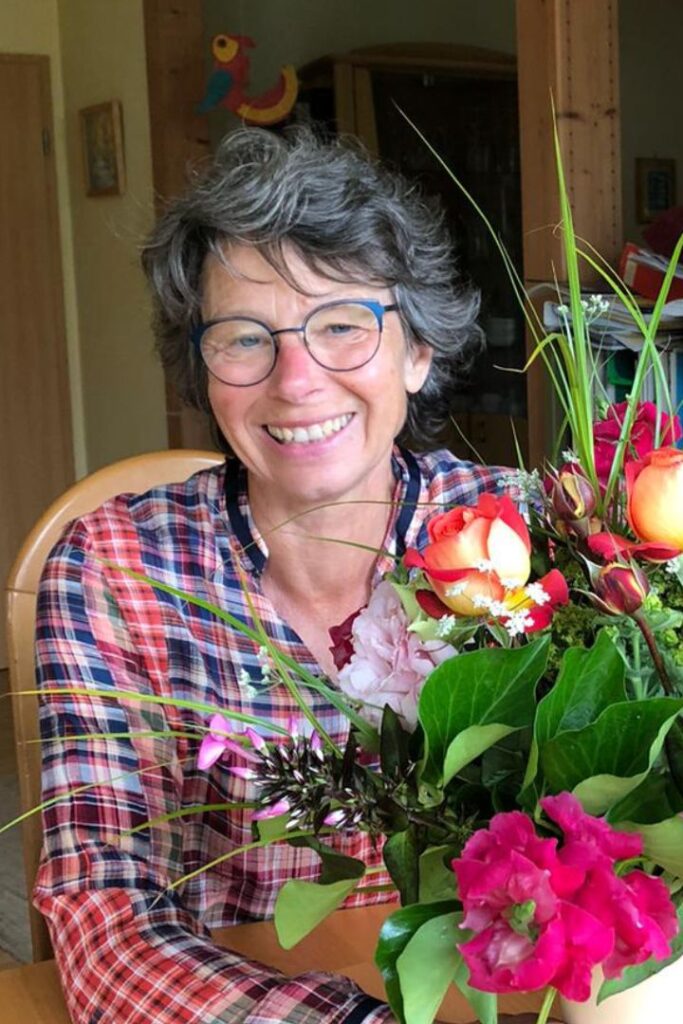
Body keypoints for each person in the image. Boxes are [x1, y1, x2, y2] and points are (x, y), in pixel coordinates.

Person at [35, 127, 519, 1024]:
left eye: (341, 325)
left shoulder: (526, 538)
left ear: (417, 353)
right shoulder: (117, 567)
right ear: (203, 370)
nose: (296, 380)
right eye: (246, 337)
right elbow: (104, 913)